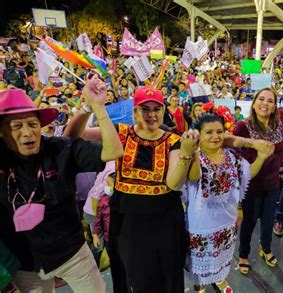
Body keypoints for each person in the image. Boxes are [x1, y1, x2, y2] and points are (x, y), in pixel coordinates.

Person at [70, 86, 200, 292]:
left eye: (156, 109)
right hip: (128, 222)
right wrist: (89, 106)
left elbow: (174, 184)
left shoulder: (174, 141)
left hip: (164, 221)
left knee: (166, 274)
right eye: (144, 109)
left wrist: (187, 152)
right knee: (135, 274)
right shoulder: (120, 133)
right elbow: (74, 135)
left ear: (163, 110)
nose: (151, 114)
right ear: (135, 112)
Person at [0, 77, 123, 292]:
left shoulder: (60, 148)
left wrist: (98, 108)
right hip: (25, 261)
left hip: (72, 253)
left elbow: (113, 152)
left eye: (33, 124)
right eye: (16, 126)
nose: (28, 133)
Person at [183, 113, 274, 292]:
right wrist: (192, 150)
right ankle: (199, 282)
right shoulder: (196, 158)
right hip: (202, 222)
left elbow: (247, 175)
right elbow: (194, 176)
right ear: (198, 135)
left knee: (222, 257)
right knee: (200, 259)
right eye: (208, 132)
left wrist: (262, 157)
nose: (215, 136)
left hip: (227, 219)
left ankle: (219, 279)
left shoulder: (231, 155)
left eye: (219, 131)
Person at [234, 88, 283, 274]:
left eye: (270, 101)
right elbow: (235, 156)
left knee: (268, 221)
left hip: (273, 185)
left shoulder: (279, 126)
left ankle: (265, 248)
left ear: (274, 106)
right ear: (254, 102)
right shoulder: (242, 127)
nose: (265, 103)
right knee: (249, 223)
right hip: (252, 186)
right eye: (261, 99)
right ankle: (243, 254)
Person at [92, 172, 116, 253]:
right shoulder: (103, 201)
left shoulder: (125, 200)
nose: (106, 186)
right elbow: (97, 219)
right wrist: (95, 235)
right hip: (108, 237)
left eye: (108, 184)